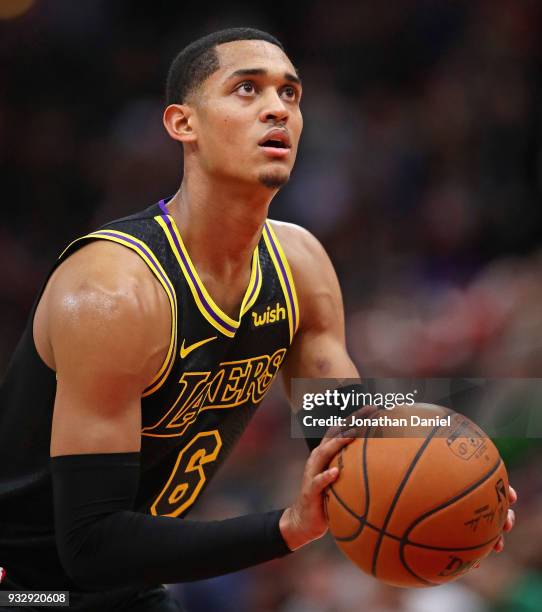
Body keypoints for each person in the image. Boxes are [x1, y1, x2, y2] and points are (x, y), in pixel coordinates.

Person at [0, 27, 515, 611]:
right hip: (26, 589)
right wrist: (286, 527)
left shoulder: (299, 266)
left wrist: (460, 483)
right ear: (182, 124)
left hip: (132, 582)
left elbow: (345, 435)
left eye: (291, 94)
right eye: (247, 89)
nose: (278, 108)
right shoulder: (114, 291)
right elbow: (88, 544)